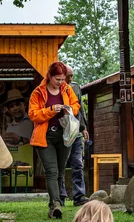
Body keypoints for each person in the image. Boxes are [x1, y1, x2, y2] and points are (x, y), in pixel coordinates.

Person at [29, 61, 81, 219]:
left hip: (64, 135)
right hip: (45, 137)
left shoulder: (66, 89)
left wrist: (70, 109)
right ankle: (57, 203)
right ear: (50, 76)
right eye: (57, 79)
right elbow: (33, 114)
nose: (61, 82)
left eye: (63, 79)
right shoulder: (38, 92)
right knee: (51, 172)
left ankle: (53, 205)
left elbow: (76, 104)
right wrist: (51, 110)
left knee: (59, 171)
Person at [59, 65, 90, 206]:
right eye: (68, 76)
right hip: (61, 133)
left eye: (72, 76)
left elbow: (81, 110)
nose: (71, 78)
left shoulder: (76, 87)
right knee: (61, 165)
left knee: (77, 164)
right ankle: (61, 196)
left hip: (76, 132)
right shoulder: (56, 88)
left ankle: (79, 196)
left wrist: (84, 129)